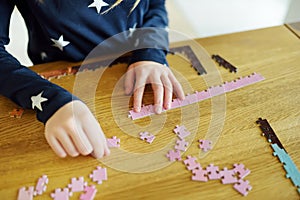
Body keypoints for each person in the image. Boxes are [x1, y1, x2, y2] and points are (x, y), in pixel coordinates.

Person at [0, 0, 185, 158]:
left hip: (129, 65)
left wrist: (150, 51)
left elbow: (155, 3)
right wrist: (50, 99)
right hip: (61, 75)